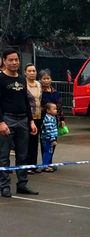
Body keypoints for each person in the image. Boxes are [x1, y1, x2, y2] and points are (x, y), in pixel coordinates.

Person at [0, 49, 39, 197]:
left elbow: (26, 102)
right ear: (4, 61)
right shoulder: (1, 79)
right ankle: (4, 186)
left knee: (23, 155)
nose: (14, 62)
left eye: (16, 59)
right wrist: (1, 122)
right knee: (4, 155)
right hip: (7, 119)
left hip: (23, 119)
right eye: (11, 60)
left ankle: (22, 184)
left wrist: (31, 121)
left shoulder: (22, 79)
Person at [39, 69, 64, 170]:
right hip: (45, 121)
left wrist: (61, 119)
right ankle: (45, 164)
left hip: (55, 120)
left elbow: (59, 106)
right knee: (46, 143)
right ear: (40, 80)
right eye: (44, 79)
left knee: (53, 142)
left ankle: (49, 162)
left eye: (48, 78)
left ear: (51, 79)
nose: (46, 80)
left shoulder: (55, 92)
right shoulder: (40, 92)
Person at [24, 63, 42, 174]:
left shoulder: (38, 84)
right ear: (25, 73)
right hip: (27, 118)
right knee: (27, 142)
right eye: (29, 71)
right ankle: (26, 166)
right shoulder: (23, 84)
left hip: (38, 116)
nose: (32, 73)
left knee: (35, 142)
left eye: (34, 71)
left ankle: (34, 165)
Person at [40, 103, 59, 169]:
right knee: (47, 152)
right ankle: (45, 165)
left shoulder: (52, 118)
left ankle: (47, 164)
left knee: (49, 152)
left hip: (50, 138)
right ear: (48, 110)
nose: (56, 110)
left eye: (56, 109)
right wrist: (53, 139)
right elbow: (49, 130)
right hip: (47, 139)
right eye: (54, 109)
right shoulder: (48, 119)